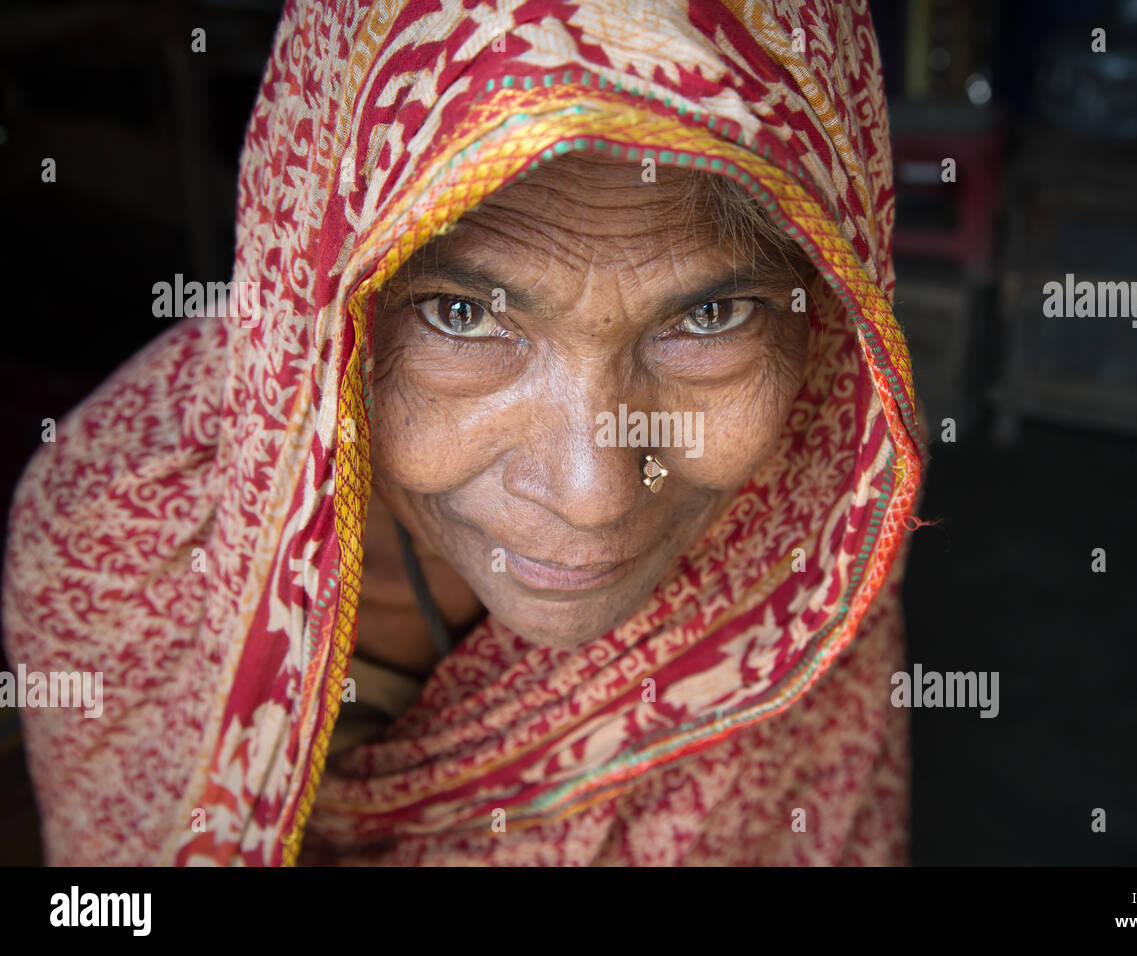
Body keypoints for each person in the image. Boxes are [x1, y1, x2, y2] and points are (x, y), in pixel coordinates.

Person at [2, 0, 926, 865]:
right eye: (459, 316)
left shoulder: (814, 533)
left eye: (713, 316)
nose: (593, 495)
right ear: (316, 301)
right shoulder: (126, 534)